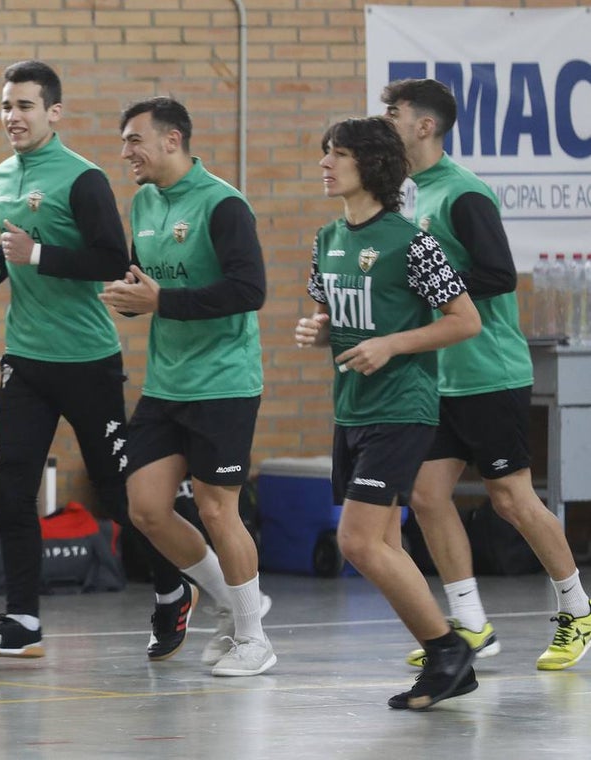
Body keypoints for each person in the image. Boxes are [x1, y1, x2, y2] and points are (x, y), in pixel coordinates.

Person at [0, 62, 241, 661]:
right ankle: (22, 620)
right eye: (7, 105)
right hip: (24, 358)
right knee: (11, 489)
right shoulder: (2, 174)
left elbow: (112, 259)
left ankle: (172, 588)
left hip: (86, 360)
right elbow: (16, 239)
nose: (13, 116)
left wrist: (36, 255)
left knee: (120, 495)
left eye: (26, 106)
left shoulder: (82, 178)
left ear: (54, 112)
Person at [382, 78, 591, 671]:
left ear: (425, 126)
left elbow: (498, 274)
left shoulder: (463, 193)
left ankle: (577, 609)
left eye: (394, 113)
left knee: (510, 498)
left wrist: (425, 287)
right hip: (439, 375)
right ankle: (471, 624)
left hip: (488, 371)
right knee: (427, 496)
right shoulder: (409, 195)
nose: (387, 121)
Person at [295, 115, 483, 709]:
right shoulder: (326, 238)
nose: (325, 163)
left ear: (371, 165)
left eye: (338, 154)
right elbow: (334, 315)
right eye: (325, 152)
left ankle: (448, 650)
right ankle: (448, 661)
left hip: (403, 407)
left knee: (357, 542)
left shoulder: (412, 242)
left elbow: (465, 321)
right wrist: (319, 330)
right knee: (381, 544)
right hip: (351, 409)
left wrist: (393, 345)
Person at [99, 96, 273, 677]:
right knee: (146, 508)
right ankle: (231, 601)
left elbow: (249, 290)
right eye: (124, 142)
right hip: (167, 383)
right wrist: (130, 299)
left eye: (134, 140)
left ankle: (253, 639)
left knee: (218, 509)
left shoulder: (223, 204)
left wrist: (163, 300)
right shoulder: (144, 202)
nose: (126, 152)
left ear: (172, 140)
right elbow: (145, 282)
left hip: (223, 382)